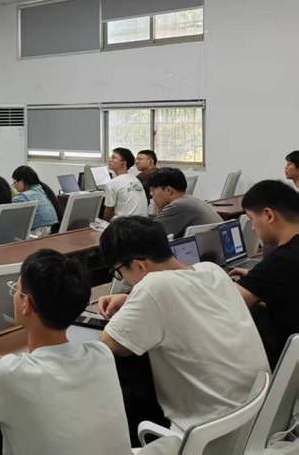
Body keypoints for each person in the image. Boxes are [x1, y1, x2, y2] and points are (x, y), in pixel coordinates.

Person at [0, 250, 132, 455]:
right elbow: (47, 372)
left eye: (16, 290)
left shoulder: (10, 375)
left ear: (26, 304)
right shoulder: (101, 354)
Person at [97, 217, 269, 432]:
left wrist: (139, 299)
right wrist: (131, 299)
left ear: (140, 265)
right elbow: (180, 297)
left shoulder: (154, 287)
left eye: (119, 272)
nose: (123, 279)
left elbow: (109, 345)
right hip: (258, 414)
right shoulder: (211, 270)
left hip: (211, 431)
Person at [231, 180, 299, 367]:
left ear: (269, 215)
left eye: (251, 219)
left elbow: (228, 304)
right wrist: (257, 278)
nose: (252, 227)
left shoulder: (282, 261)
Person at [149, 167, 221, 238]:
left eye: (153, 190)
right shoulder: (191, 201)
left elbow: (149, 235)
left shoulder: (177, 206)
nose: (151, 194)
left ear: (168, 190)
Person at [10, 166, 60, 237]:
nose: (14, 186)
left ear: (22, 182)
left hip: (39, 235)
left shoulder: (22, 198)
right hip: (54, 232)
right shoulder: (44, 191)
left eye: (14, 182)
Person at [103, 148, 148, 221]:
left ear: (123, 163)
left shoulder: (112, 183)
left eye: (114, 158)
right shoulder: (135, 179)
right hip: (143, 223)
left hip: (125, 225)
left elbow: (107, 214)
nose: (110, 160)